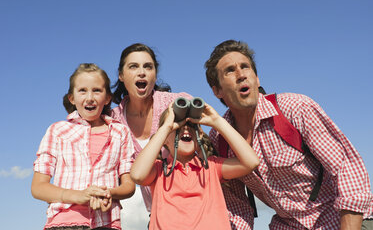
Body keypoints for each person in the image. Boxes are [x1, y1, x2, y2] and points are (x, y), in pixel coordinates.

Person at [204, 40, 373, 230]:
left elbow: (346, 169)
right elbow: (236, 206)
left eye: (245, 67)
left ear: (257, 79)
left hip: (342, 219)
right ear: (217, 90)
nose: (241, 75)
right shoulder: (221, 140)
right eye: (230, 70)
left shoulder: (294, 108)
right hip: (288, 225)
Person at [31, 63, 136, 230]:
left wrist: (108, 193)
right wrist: (78, 196)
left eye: (97, 90)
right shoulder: (57, 131)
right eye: (82, 91)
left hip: (107, 222)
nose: (89, 97)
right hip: (62, 222)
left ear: (107, 97)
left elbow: (129, 186)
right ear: (72, 98)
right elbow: (38, 187)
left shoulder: (120, 132)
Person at [130, 100, 260, 230]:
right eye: (177, 126)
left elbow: (251, 162)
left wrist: (218, 122)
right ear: (163, 140)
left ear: (200, 135)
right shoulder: (159, 170)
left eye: (192, 125)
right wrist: (166, 127)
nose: (186, 128)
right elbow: (137, 175)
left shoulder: (211, 166)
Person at [111, 43, 191, 213]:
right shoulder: (112, 121)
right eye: (133, 66)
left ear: (154, 74)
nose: (142, 72)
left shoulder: (175, 103)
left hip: (193, 204)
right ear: (121, 75)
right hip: (157, 212)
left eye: (148, 67)